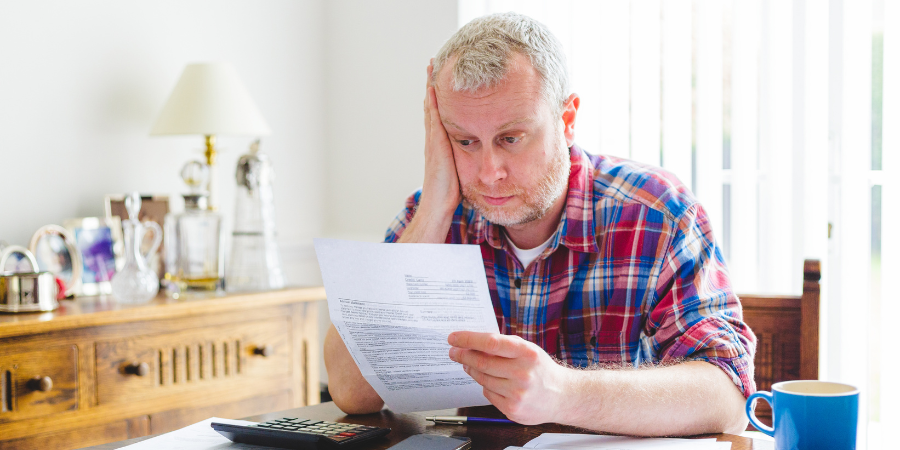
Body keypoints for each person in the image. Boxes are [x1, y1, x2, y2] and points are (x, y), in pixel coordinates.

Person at [324, 12, 755, 436]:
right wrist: (434, 209)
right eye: (465, 141)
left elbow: (727, 397)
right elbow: (350, 392)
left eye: (511, 139)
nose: (489, 171)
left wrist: (564, 393)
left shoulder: (657, 214)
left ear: (567, 120)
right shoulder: (432, 216)